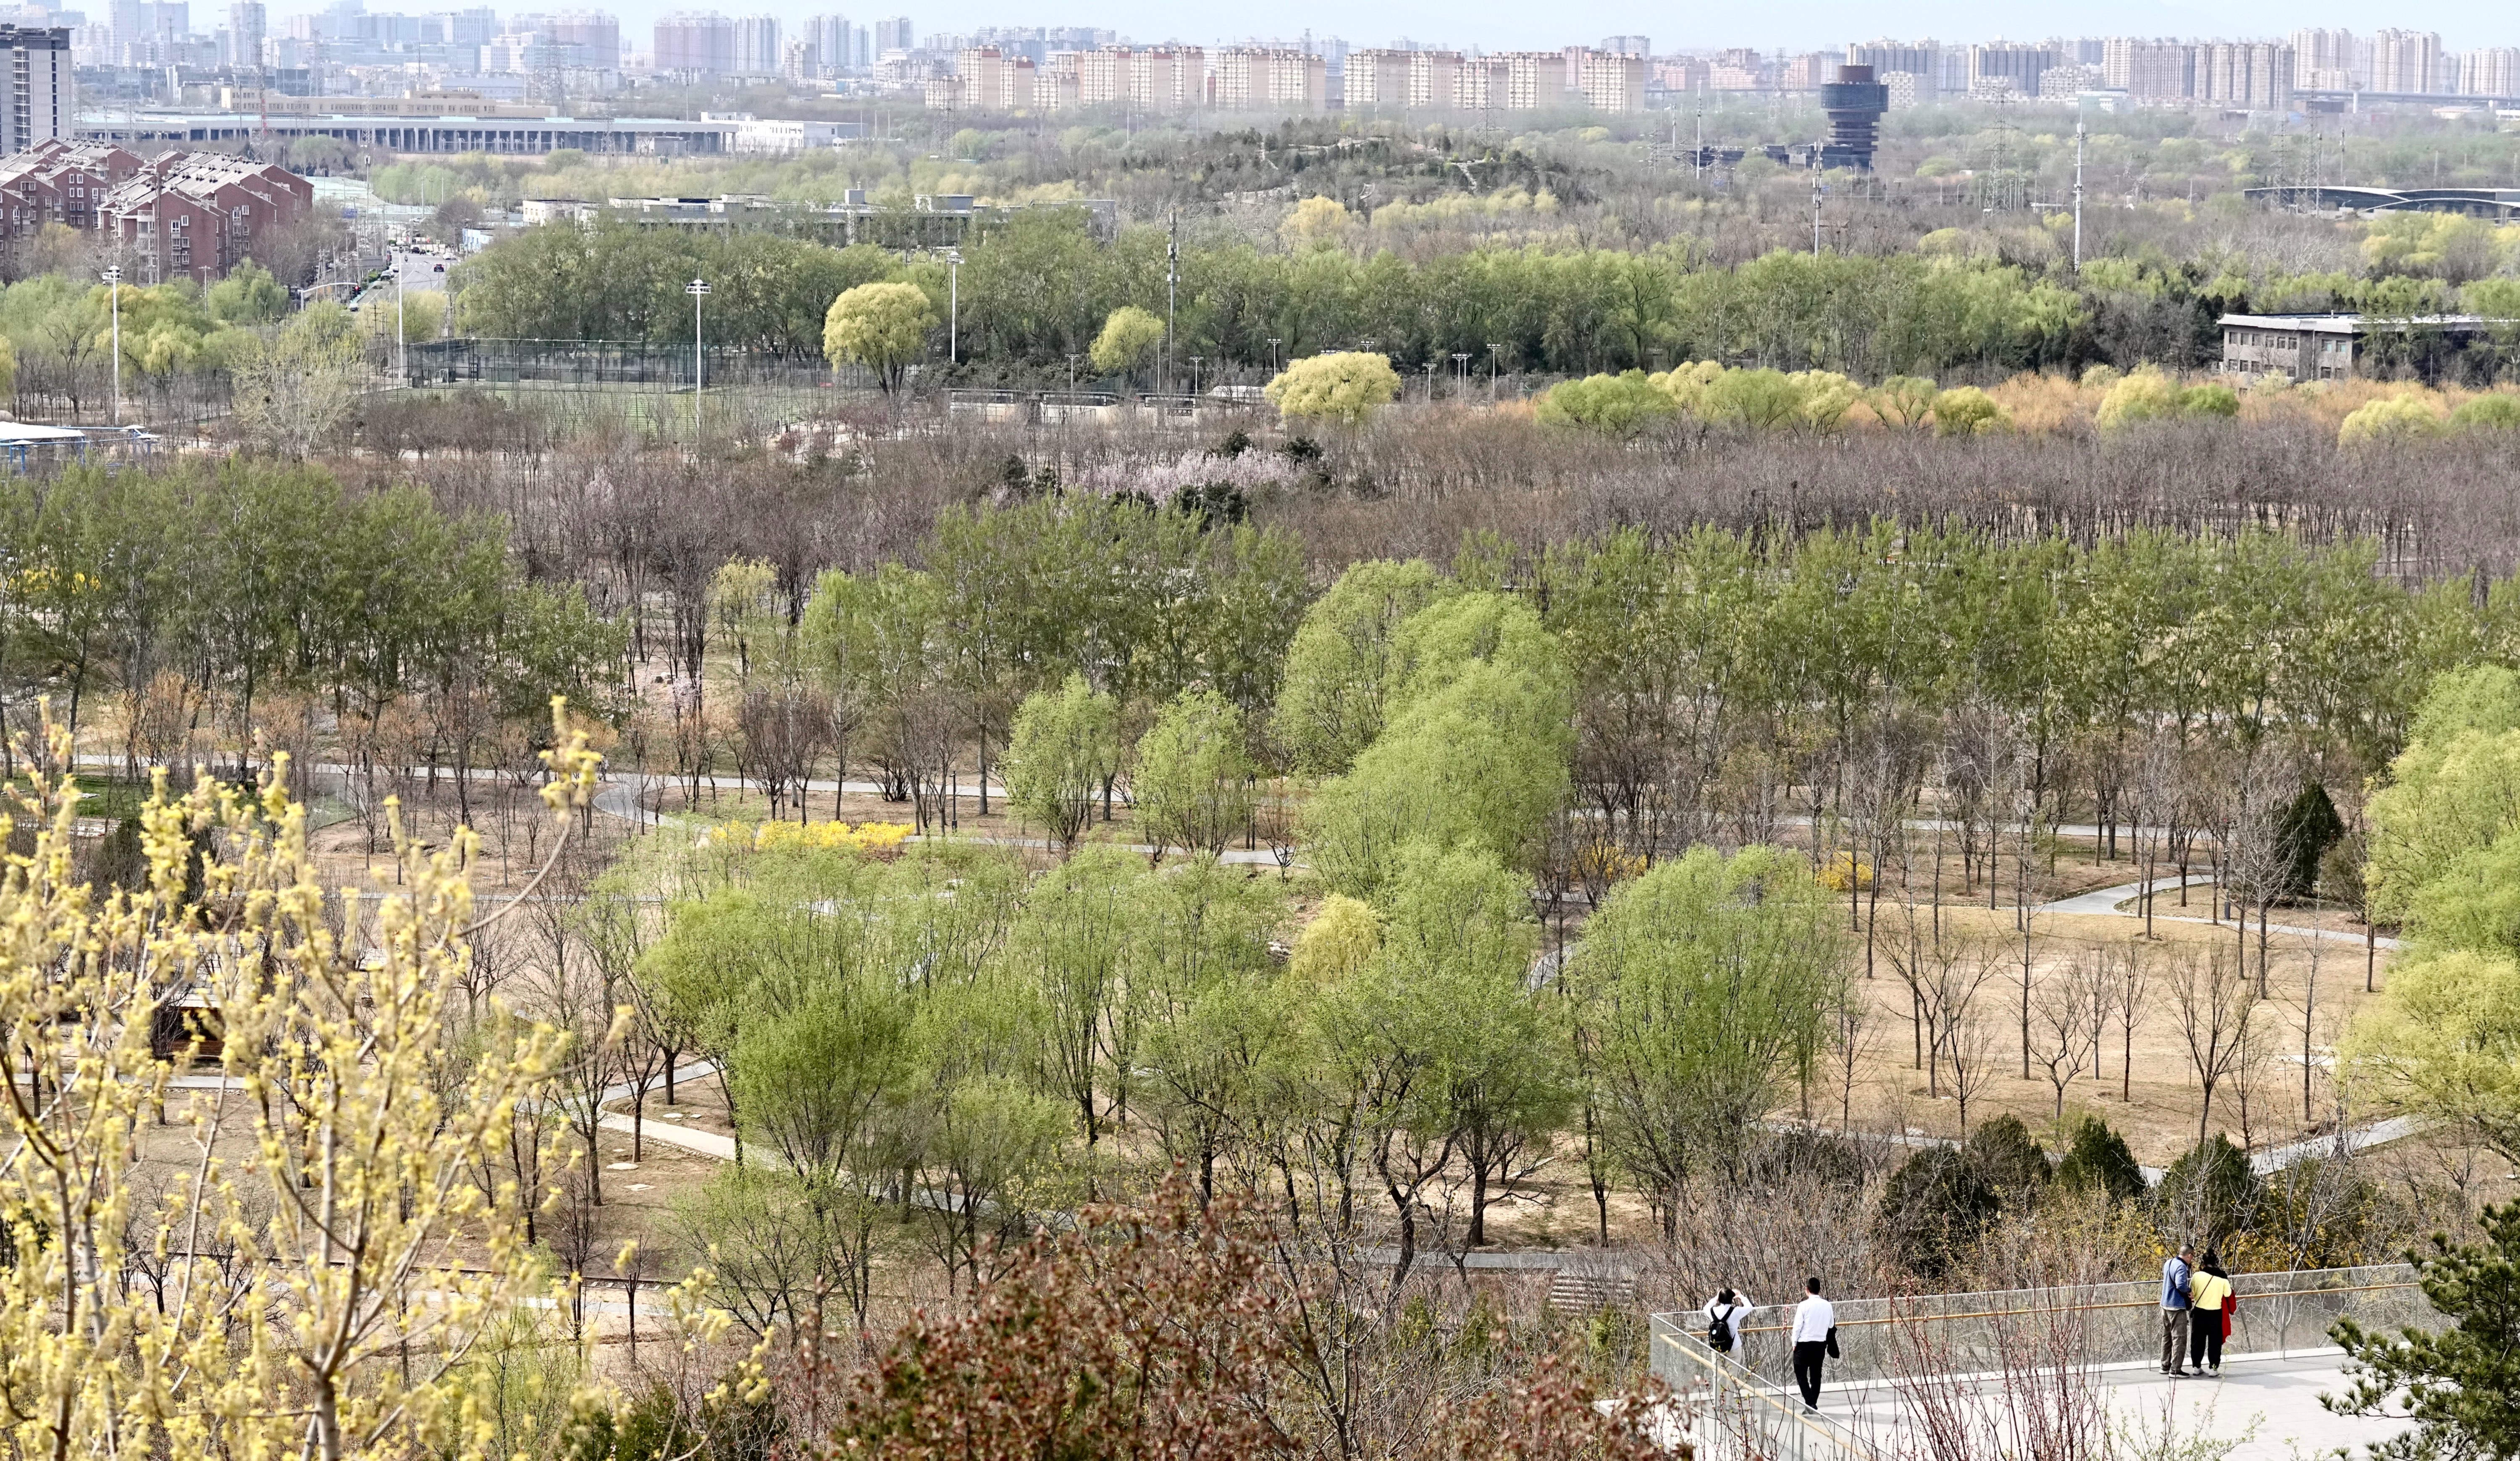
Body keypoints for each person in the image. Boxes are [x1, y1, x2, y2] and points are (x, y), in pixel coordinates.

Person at [1790, 1277, 1838, 1411]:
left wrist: (1794, 1342)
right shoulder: (1827, 1305)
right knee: (1816, 1376)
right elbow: (1831, 1325)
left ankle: (1810, 1402)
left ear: (1807, 1290)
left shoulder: (1803, 1306)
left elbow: (1797, 1327)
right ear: (1820, 1289)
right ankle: (1812, 1404)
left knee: (1801, 1374)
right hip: (1820, 1344)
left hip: (1803, 1345)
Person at [2188, 1251, 2233, 1377]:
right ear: (2216, 1262)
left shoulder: (2197, 1276)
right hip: (2216, 1314)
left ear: (2203, 1262)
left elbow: (2193, 1293)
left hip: (2199, 1313)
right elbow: (2228, 1294)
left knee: (2197, 1341)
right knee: (2215, 1342)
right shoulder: (2222, 1277)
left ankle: (2196, 1367)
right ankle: (2214, 1369)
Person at [2158, 1245, 2195, 1374]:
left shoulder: (2169, 1263)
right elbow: (2180, 1284)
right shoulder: (2181, 1267)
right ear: (2189, 1255)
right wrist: (2189, 1291)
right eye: (2193, 1256)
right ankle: (2176, 1370)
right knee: (2180, 1338)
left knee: (2167, 1336)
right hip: (2176, 1307)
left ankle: (2165, 1366)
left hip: (2165, 1305)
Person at [1702, 1287, 1755, 1356]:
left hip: (1716, 1347)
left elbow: (1705, 1308)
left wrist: (1716, 1298)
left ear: (1720, 1299)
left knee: (1717, 1367)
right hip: (1734, 1346)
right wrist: (1740, 1296)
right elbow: (1750, 1307)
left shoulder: (1713, 1311)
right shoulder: (1736, 1311)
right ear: (1732, 1299)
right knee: (1734, 1367)